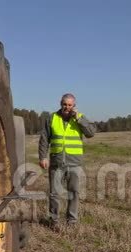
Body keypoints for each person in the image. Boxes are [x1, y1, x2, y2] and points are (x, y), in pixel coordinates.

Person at [38, 93, 96, 231]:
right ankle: (54, 221)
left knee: (74, 192)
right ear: (60, 104)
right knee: (54, 193)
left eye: (70, 105)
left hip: (74, 163)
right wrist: (42, 157)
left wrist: (79, 119)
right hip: (56, 163)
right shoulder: (52, 118)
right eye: (65, 104)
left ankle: (72, 222)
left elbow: (91, 133)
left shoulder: (80, 118)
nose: (67, 107)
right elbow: (44, 139)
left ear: (74, 106)